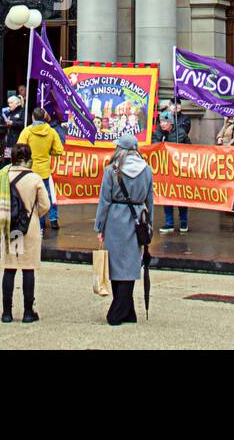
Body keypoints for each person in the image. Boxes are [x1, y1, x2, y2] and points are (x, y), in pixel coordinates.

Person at [94, 135, 154, 326]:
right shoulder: (147, 170)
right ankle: (128, 312)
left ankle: (117, 312)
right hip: (138, 217)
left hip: (115, 218)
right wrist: (149, 224)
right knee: (130, 263)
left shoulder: (111, 171)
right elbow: (150, 201)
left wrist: (99, 225)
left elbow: (104, 200)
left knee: (115, 264)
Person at [0, 143, 51, 323]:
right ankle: (27, 312)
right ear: (29, 158)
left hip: (10, 226)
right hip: (28, 228)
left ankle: (7, 312)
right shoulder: (34, 178)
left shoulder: (2, 176)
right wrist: (33, 217)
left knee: (9, 268)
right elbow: (46, 205)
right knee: (28, 268)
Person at [18, 107, 65, 232]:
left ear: (33, 117)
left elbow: (19, 149)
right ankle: (41, 225)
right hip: (44, 171)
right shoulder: (51, 132)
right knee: (44, 198)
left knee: (28, 198)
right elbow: (59, 150)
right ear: (44, 117)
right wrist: (49, 152)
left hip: (29, 170)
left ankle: (31, 225)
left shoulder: (27, 131)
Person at [150, 112, 188, 233]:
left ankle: (183, 222)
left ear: (171, 122)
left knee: (181, 196)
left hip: (179, 171)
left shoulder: (181, 134)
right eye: (160, 122)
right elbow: (153, 147)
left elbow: (190, 150)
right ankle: (169, 223)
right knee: (167, 195)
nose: (162, 124)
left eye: (164, 122)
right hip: (165, 170)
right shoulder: (157, 134)